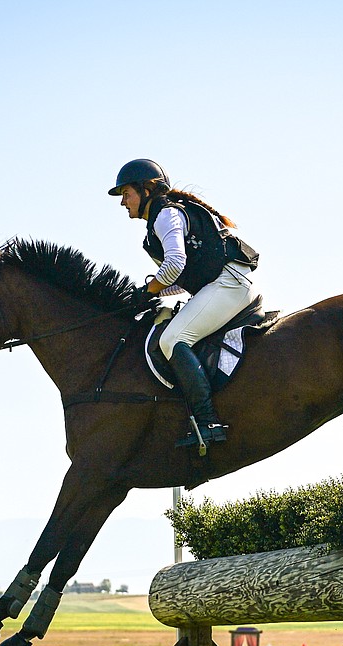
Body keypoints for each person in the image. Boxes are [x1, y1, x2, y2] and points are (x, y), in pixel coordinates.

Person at [109, 159, 260, 450]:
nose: (123, 202)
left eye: (126, 193)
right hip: (219, 285)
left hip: (229, 284)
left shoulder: (166, 215)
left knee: (172, 339)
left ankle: (208, 422)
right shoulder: (154, 228)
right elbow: (182, 280)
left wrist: (150, 288)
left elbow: (175, 264)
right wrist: (148, 294)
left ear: (147, 189)